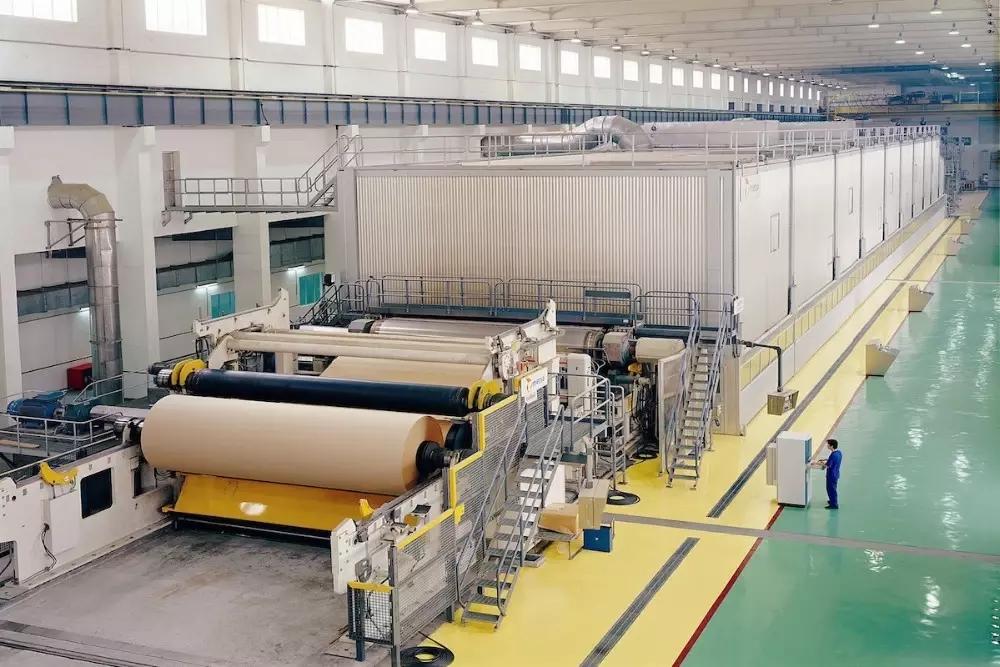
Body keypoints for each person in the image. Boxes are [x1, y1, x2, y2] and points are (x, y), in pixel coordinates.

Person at [822, 439, 842, 509]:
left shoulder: (833, 455)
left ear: (831, 446)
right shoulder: (838, 453)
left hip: (831, 475)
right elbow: (832, 462)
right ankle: (832, 501)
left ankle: (834, 505)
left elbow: (828, 465)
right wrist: (826, 460)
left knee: (830, 489)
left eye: (828, 444)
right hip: (836, 474)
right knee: (833, 488)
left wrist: (819, 463)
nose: (827, 445)